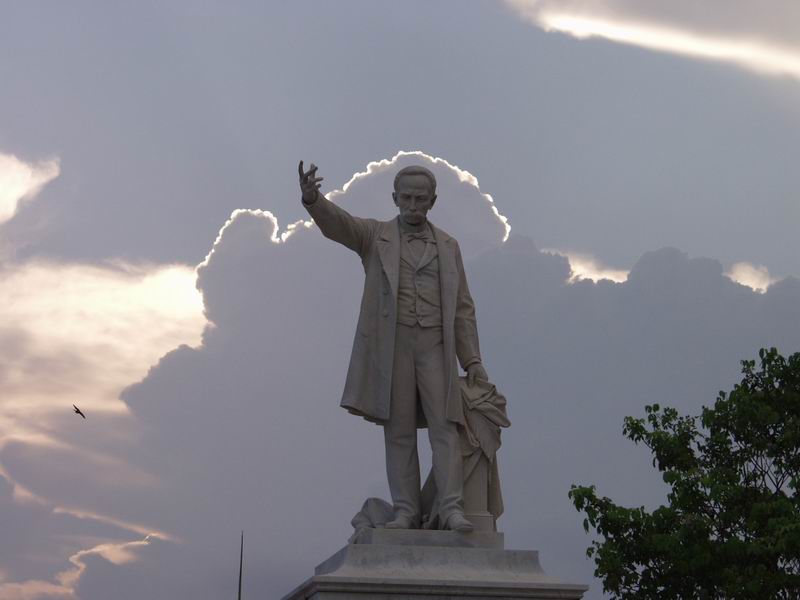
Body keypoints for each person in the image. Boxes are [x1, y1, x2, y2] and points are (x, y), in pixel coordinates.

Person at [299, 161, 488, 532]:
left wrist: (473, 360)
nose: (413, 205)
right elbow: (341, 225)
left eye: (421, 198)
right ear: (395, 199)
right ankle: (405, 510)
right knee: (399, 430)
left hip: (436, 344)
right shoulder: (375, 236)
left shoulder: (449, 246)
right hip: (394, 344)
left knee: (446, 427)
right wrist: (313, 199)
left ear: (433, 201)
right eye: (407, 198)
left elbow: (463, 307)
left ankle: (451, 509)